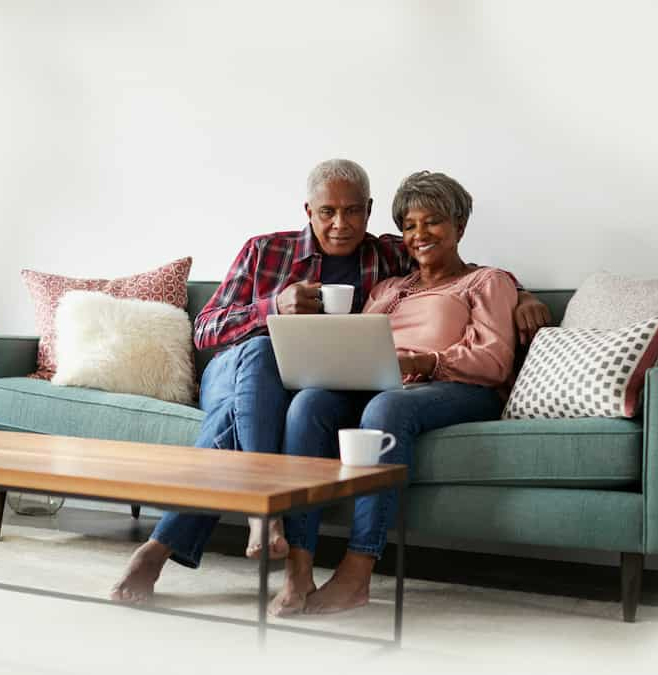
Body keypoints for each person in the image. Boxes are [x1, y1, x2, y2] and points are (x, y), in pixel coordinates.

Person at [110, 160, 549, 604]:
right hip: (238, 367)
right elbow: (204, 331)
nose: (341, 224)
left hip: (339, 383)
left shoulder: (388, 259)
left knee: (305, 403)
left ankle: (187, 548)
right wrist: (272, 309)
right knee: (263, 359)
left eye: (354, 211)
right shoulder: (269, 251)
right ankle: (268, 515)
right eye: (328, 213)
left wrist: (523, 294)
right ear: (308, 210)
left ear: (369, 210)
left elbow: (469, 274)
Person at [270, 170, 517, 616]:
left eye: (433, 222)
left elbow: (495, 360)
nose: (419, 234)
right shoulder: (387, 288)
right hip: (385, 385)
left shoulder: (486, 282)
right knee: (309, 403)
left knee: (387, 406)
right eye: (409, 225)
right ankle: (299, 563)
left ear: (460, 227)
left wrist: (423, 362)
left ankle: (357, 572)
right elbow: (358, 342)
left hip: (459, 389)